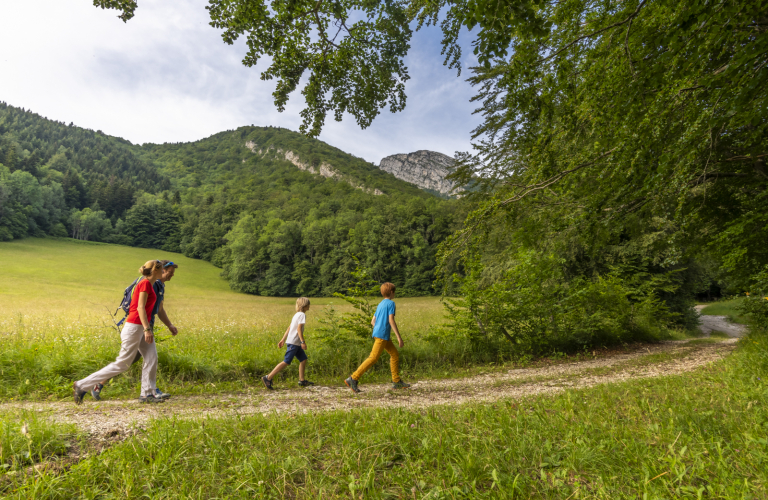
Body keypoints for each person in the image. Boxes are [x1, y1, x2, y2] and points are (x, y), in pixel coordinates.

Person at [73, 260, 165, 404]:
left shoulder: (150, 284)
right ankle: (81, 385)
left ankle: (147, 394)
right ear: (155, 271)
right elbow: (140, 308)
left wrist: (146, 328)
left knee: (151, 357)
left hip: (140, 327)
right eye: (162, 270)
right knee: (123, 363)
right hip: (135, 327)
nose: (164, 272)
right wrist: (147, 329)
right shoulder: (145, 283)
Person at [91, 260, 179, 401]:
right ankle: (96, 383)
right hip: (140, 326)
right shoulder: (152, 284)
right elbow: (141, 307)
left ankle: (148, 391)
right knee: (128, 361)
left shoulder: (160, 286)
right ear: (161, 270)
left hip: (145, 326)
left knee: (139, 359)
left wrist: (169, 325)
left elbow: (160, 309)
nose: (172, 275)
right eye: (170, 272)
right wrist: (146, 329)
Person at [345, 282, 410, 393]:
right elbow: (391, 320)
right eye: (394, 292)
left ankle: (396, 381)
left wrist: (379, 328)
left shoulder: (380, 304)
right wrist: (399, 337)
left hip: (379, 334)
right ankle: (353, 378)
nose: (394, 294)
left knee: (394, 354)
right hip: (382, 335)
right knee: (373, 358)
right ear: (391, 292)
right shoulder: (391, 303)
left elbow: (373, 321)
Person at [261, 297, 314, 389]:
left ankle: (302, 381)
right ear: (304, 305)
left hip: (294, 342)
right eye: (308, 304)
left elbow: (289, 328)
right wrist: (303, 342)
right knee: (287, 361)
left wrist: (283, 339)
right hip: (294, 342)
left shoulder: (296, 314)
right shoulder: (301, 315)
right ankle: (268, 378)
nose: (309, 306)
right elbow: (298, 329)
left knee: (303, 359)